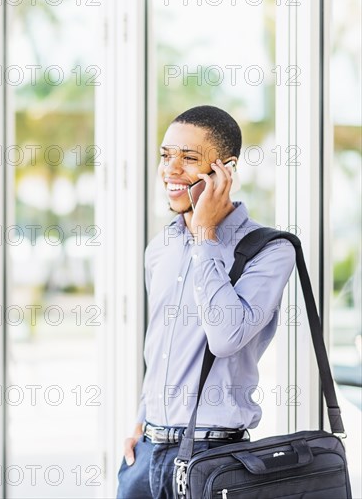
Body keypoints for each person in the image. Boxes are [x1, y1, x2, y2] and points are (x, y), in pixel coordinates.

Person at [116, 105, 296, 498]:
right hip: (145, 455)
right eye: (166, 155)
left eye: (189, 158)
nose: (171, 169)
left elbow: (226, 338)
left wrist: (206, 236)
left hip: (214, 457)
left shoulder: (270, 250)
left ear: (224, 169)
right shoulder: (160, 247)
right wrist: (140, 423)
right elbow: (162, 350)